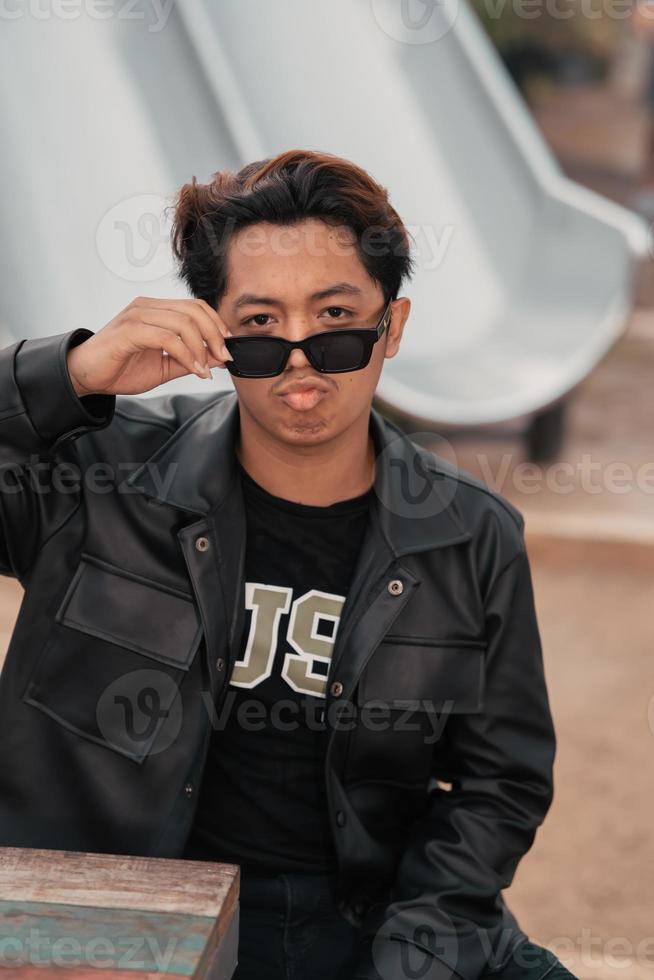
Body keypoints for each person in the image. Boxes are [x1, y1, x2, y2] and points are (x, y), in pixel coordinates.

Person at [0, 149, 576, 979]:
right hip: (127, 917)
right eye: (262, 327)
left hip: (368, 920)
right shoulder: (99, 478)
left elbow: (501, 784)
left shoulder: (471, 534)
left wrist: (419, 949)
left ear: (394, 326)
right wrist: (70, 373)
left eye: (335, 318)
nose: (300, 361)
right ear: (211, 329)